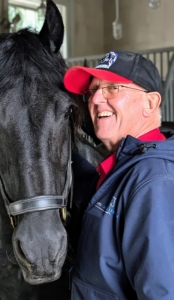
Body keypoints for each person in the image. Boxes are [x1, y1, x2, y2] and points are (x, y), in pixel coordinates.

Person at [63, 51, 174, 300]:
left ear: (150, 103)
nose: (95, 99)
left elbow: (162, 293)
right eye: (92, 91)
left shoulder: (153, 181)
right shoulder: (121, 168)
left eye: (112, 88)